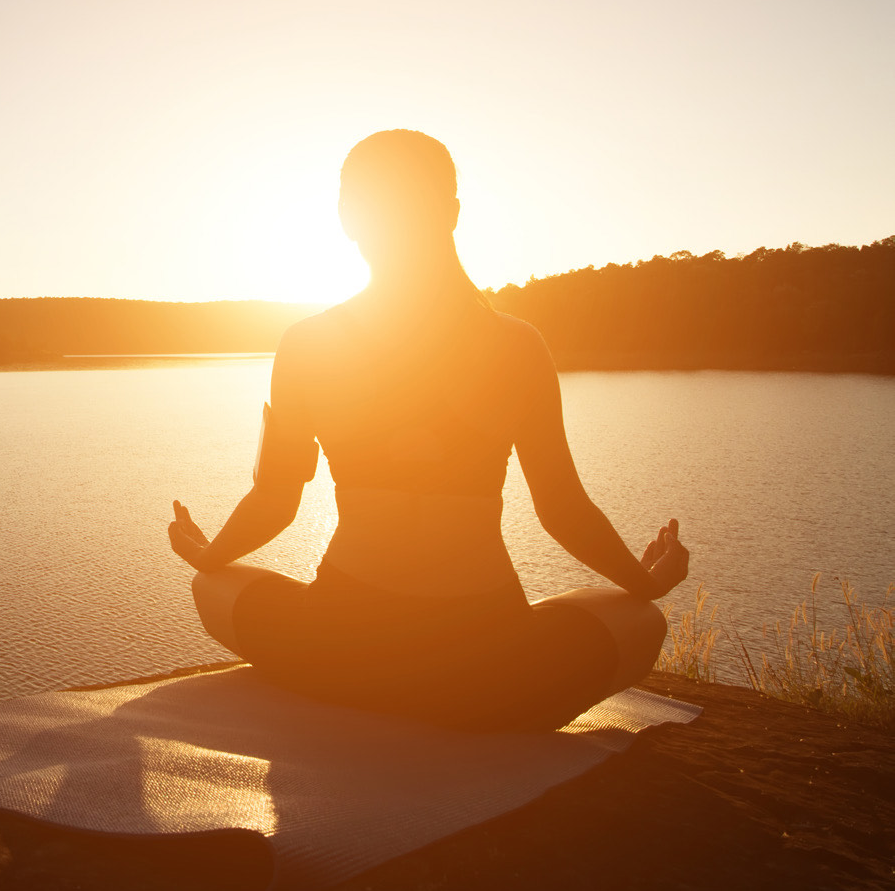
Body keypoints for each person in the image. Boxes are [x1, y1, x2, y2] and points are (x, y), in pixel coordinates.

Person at [168, 130, 688, 731]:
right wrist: (643, 582)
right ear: (452, 213)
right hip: (487, 669)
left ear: (347, 218)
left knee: (211, 588)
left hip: (339, 650)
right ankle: (467, 699)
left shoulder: (308, 344)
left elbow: (275, 501)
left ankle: (365, 689)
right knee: (643, 622)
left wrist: (210, 554)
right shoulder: (517, 345)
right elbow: (562, 508)